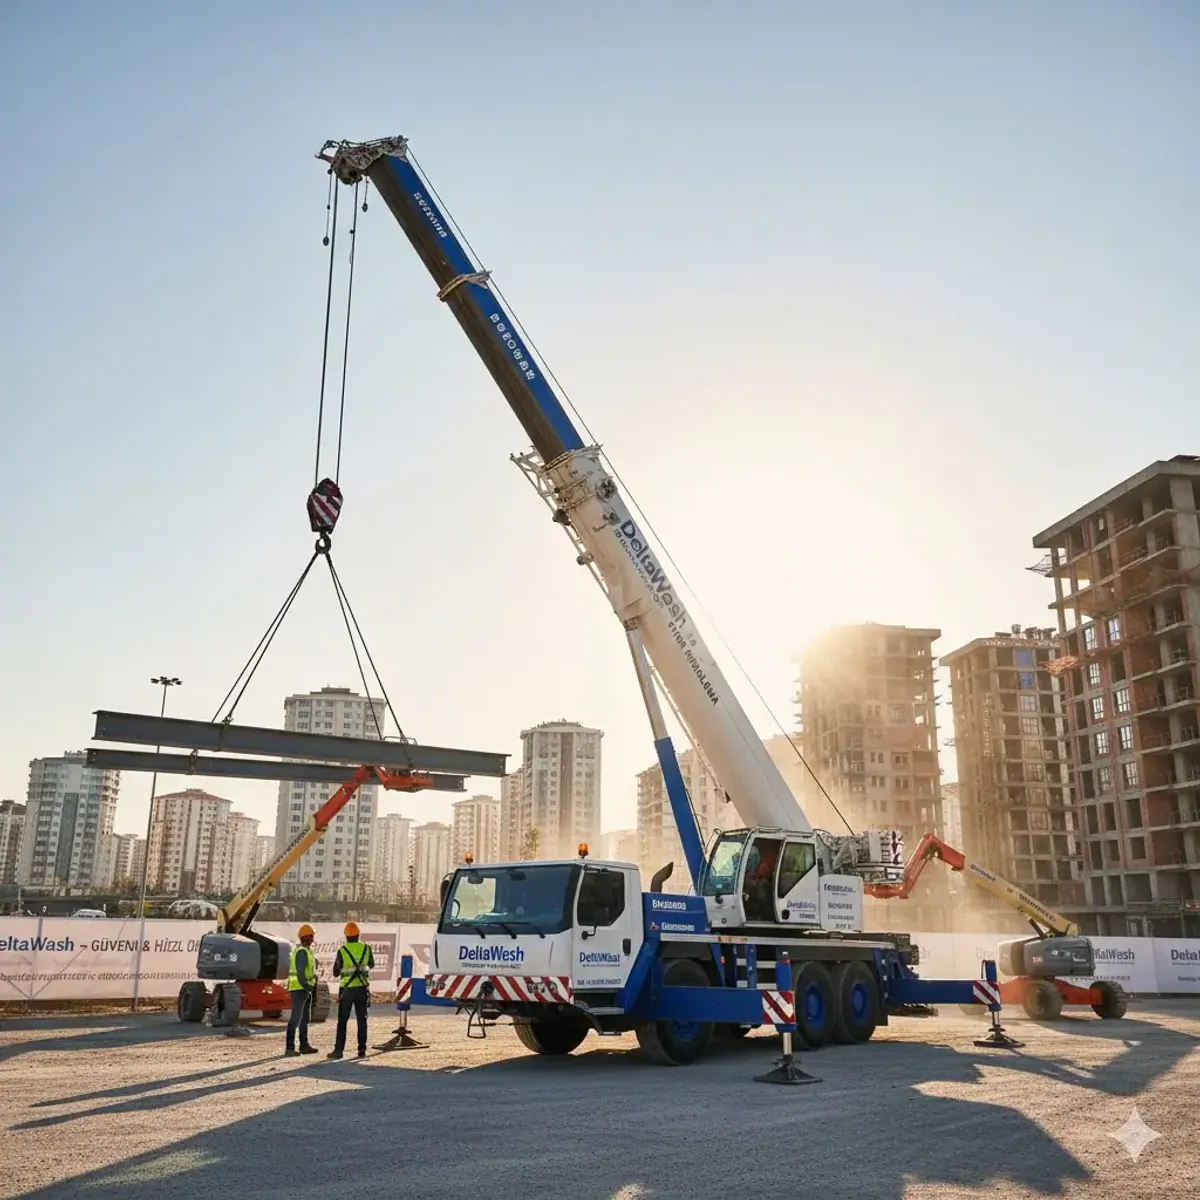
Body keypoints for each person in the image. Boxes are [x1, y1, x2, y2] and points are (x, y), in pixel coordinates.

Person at [327, 921, 374, 1060]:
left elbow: (335, 972)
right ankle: (361, 1051)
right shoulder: (366, 949)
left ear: (346, 936)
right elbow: (371, 964)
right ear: (358, 935)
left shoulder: (342, 951)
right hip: (362, 989)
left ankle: (338, 1051)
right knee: (362, 1021)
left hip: (347, 991)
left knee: (342, 1022)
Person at [285, 924, 319, 1057]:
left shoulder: (306, 951)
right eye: (312, 936)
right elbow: (300, 973)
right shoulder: (302, 952)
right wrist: (307, 985)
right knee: (296, 1018)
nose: (313, 938)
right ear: (307, 937)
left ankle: (304, 1045)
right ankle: (289, 1047)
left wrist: (312, 980)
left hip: (304, 988)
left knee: (304, 1018)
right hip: (299, 989)